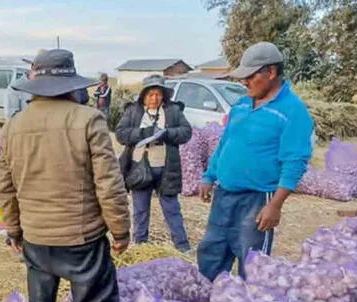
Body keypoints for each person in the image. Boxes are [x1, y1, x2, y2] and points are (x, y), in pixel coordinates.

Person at [0, 49, 130, 302]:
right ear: (71, 85)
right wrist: (120, 230)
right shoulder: (88, 119)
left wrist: (14, 230)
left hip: (35, 238)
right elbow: (108, 183)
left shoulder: (14, 125)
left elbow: (5, 187)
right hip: (81, 239)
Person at [197, 42, 314, 281]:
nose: (245, 82)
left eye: (250, 76)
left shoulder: (293, 111)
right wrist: (209, 176)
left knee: (251, 262)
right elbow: (225, 143)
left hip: (258, 199)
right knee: (212, 250)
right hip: (224, 194)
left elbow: (295, 162)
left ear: (270, 73)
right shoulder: (241, 104)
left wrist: (275, 205)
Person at [115, 75, 192, 252]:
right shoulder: (133, 111)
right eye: (150, 95)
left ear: (164, 95)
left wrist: (166, 133)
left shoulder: (173, 111)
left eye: (158, 94)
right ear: (143, 96)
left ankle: (183, 247)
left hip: (166, 168)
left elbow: (186, 132)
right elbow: (121, 134)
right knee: (140, 210)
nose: (154, 98)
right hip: (139, 168)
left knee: (172, 209)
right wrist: (143, 133)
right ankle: (141, 247)